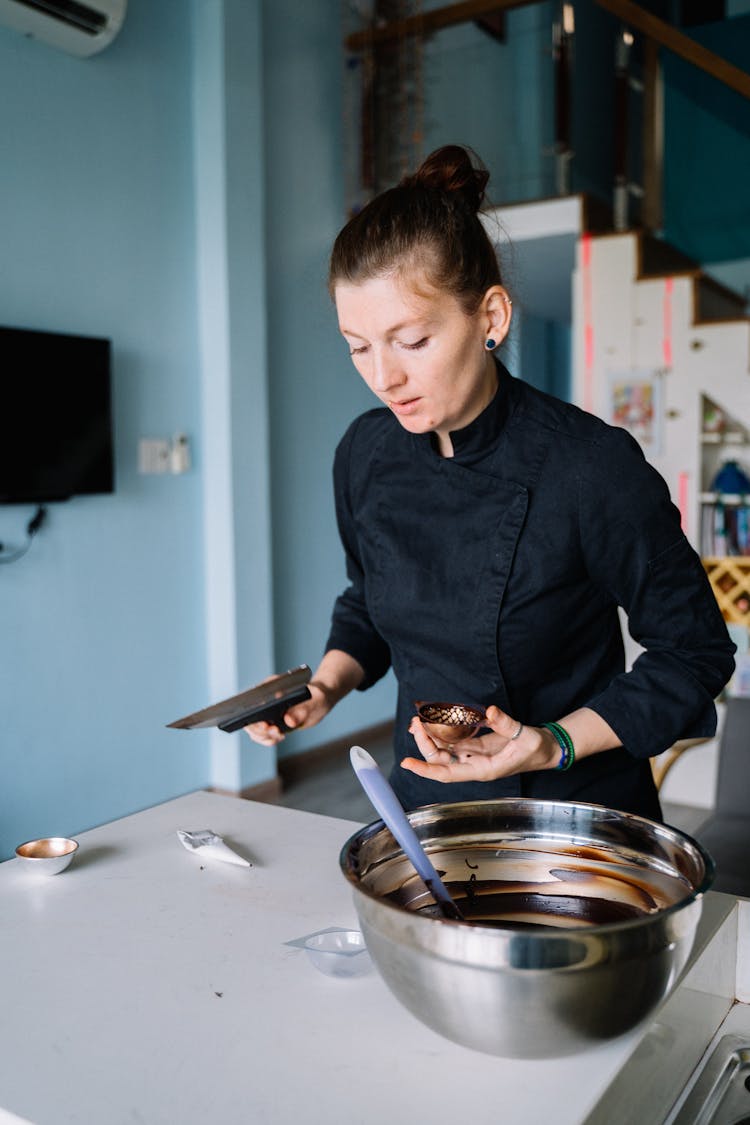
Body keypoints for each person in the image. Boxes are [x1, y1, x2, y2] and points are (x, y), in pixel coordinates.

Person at [247, 144, 735, 821]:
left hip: (574, 813)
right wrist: (323, 686)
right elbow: (370, 599)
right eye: (358, 346)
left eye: (411, 340)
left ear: (491, 318)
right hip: (425, 806)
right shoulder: (365, 452)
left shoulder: (590, 467)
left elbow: (694, 654)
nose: (382, 376)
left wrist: (551, 743)